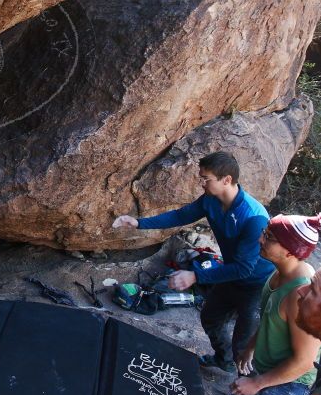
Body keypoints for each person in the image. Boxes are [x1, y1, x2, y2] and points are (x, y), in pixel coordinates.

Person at [112, 152, 275, 373]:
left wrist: (195, 275)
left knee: (243, 343)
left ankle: (246, 387)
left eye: (206, 178)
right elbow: (181, 216)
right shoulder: (211, 200)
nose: (201, 183)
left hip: (256, 283)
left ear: (226, 180)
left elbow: (245, 267)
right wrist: (138, 223)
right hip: (230, 273)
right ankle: (223, 359)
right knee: (211, 318)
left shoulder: (253, 217)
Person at [225, 213, 321, 395]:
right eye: (264, 233)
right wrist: (250, 348)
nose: (261, 239)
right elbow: (271, 318)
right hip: (271, 369)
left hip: (290, 384)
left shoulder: (300, 296)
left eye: (269, 237)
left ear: (290, 251)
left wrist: (257, 383)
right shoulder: (279, 273)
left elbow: (304, 361)